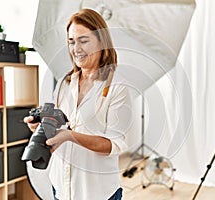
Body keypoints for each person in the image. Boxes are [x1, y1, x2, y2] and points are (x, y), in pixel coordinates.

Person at [24, 8, 133, 200]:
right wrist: (39, 128)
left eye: (83, 41)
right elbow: (58, 127)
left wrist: (70, 136)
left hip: (98, 193)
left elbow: (113, 145)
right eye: (71, 41)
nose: (76, 49)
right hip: (62, 189)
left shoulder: (118, 86)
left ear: (101, 42)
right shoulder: (65, 83)